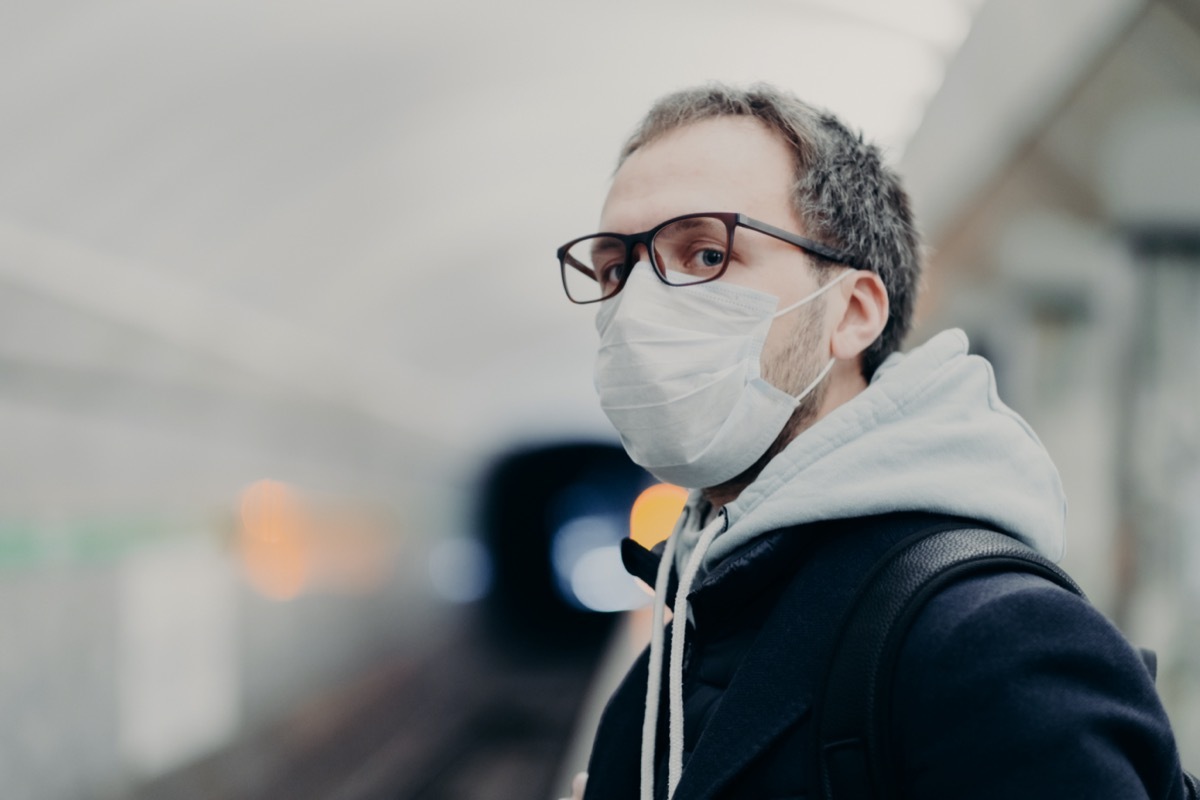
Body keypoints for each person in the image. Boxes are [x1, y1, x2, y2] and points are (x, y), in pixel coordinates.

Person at [553, 83, 1190, 799]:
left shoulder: (993, 641)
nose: (638, 308)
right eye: (615, 270)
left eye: (704, 254)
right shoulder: (692, 640)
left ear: (852, 313)